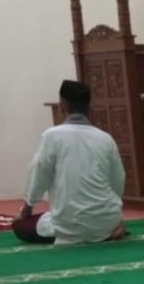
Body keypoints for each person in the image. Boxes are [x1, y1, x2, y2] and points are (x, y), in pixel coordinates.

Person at [13, 80, 128, 245]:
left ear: (63, 105)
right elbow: (118, 179)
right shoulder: (105, 138)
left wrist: (26, 210)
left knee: (20, 226)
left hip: (68, 225)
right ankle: (109, 230)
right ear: (89, 107)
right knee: (96, 221)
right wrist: (114, 216)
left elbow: (39, 174)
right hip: (106, 222)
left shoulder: (52, 136)